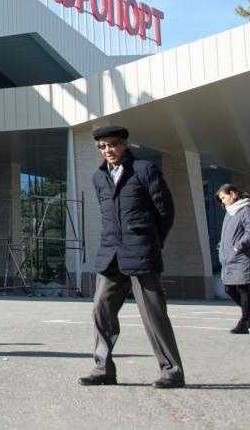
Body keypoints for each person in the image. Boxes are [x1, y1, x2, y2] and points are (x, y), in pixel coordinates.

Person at [79, 125, 185, 388]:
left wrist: (153, 243)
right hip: (111, 255)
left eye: (113, 144)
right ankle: (103, 368)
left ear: (125, 144)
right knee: (101, 308)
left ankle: (171, 371)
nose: (108, 150)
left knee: (154, 314)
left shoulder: (144, 170)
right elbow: (107, 216)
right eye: (102, 146)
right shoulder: (99, 177)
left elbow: (165, 211)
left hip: (141, 253)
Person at [215, 184, 250, 333]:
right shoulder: (229, 212)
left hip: (240, 257)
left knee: (242, 289)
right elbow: (228, 235)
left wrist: (237, 247)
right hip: (228, 259)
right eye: (221, 199)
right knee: (228, 289)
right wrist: (222, 246)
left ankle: (244, 322)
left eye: (224, 197)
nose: (222, 201)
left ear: (233, 194)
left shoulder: (244, 209)